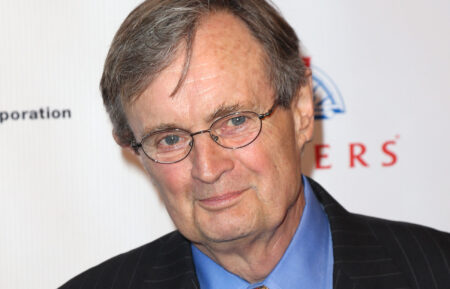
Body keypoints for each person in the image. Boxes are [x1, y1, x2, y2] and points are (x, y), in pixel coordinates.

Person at [60, 0, 449, 288]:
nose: (208, 169)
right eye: (171, 138)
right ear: (136, 153)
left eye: (235, 121)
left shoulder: (436, 270)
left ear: (300, 111)